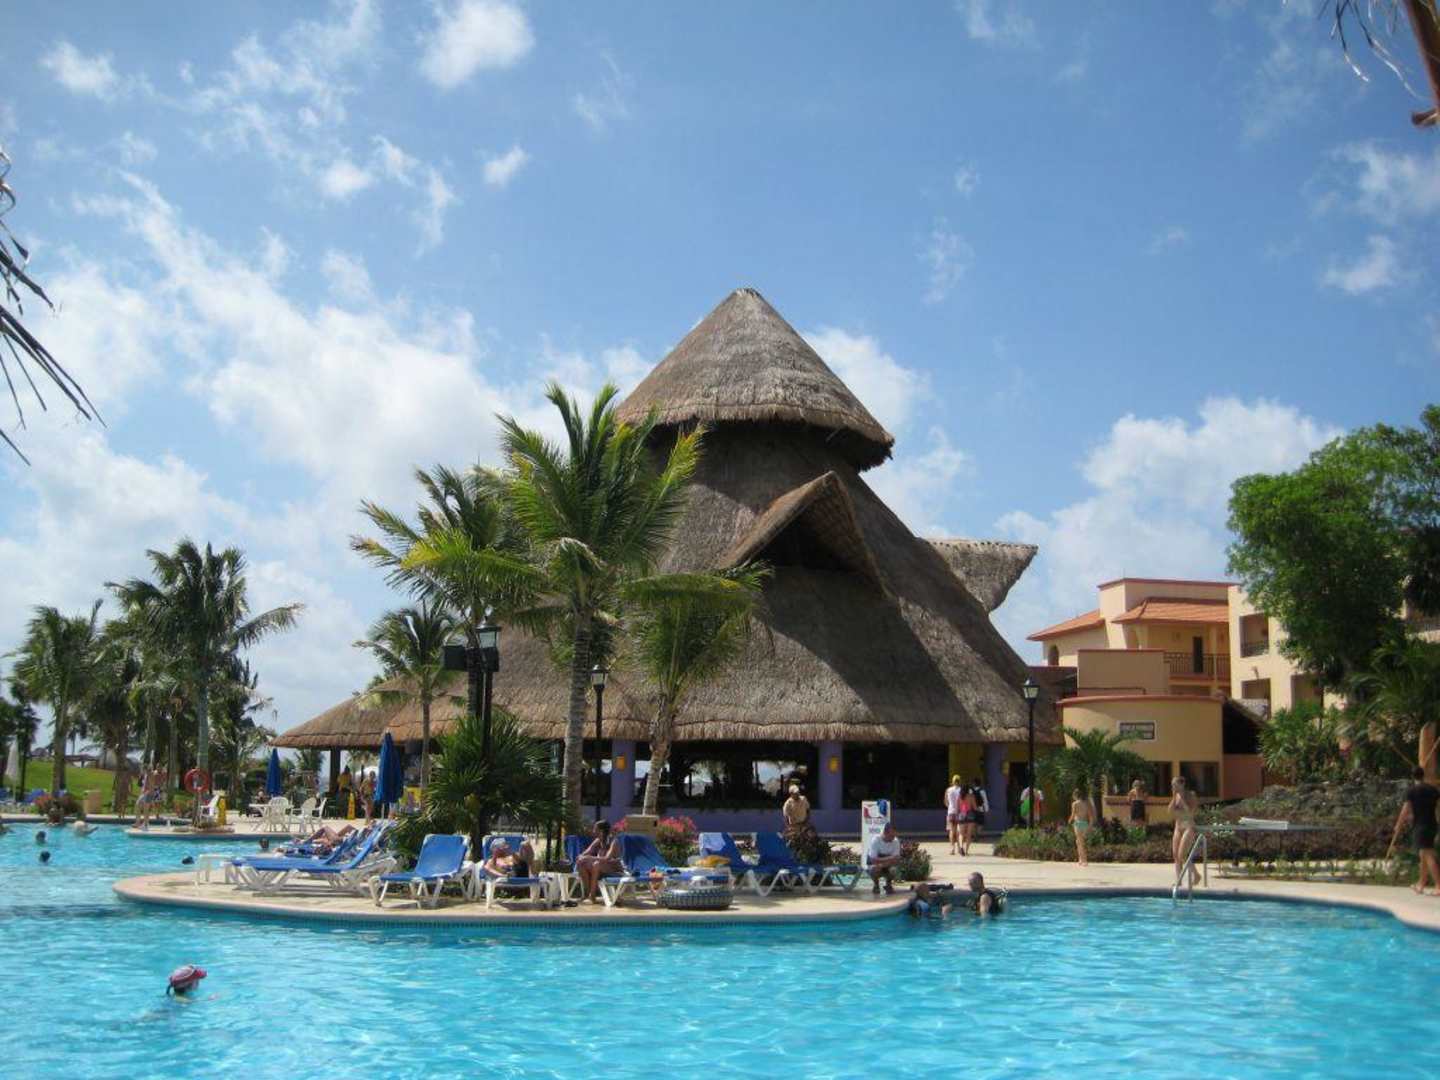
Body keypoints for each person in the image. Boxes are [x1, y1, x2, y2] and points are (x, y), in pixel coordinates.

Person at [1392, 766, 1440, 895]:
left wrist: (1398, 825)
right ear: (1423, 775)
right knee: (1423, 854)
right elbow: (1437, 809)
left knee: (1428, 854)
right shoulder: (1433, 790)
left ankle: (1438, 885)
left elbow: (1405, 810)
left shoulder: (1412, 791)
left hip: (1421, 826)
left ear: (1412, 777)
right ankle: (1421, 883)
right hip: (1433, 825)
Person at [575, 821, 623, 904]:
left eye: (595, 829)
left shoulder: (613, 841)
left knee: (596, 864)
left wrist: (589, 857)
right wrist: (581, 857)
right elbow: (587, 851)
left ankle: (592, 896)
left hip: (614, 869)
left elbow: (607, 858)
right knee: (581, 864)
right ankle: (588, 894)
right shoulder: (598, 840)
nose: (593, 831)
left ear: (601, 831)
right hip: (601, 868)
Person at [1170, 776, 1200, 887]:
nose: (1173, 787)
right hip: (1178, 827)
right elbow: (1170, 811)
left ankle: (1196, 875)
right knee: (1175, 855)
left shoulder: (1191, 795)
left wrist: (1182, 801)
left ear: (1182, 784)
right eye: (1172, 785)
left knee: (1182, 855)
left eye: (1175, 784)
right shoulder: (1176, 796)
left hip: (1188, 827)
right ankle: (1179, 881)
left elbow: (1191, 812)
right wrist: (1174, 797)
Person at [867, 822, 902, 896]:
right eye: (891, 836)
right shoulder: (876, 840)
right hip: (875, 865)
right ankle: (876, 884)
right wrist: (890, 858)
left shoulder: (896, 841)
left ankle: (888, 884)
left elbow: (896, 860)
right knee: (874, 868)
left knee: (894, 870)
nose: (893, 838)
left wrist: (882, 864)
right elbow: (873, 859)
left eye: (894, 835)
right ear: (885, 833)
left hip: (886, 865)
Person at [1069, 789, 1095, 867]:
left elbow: (1073, 814)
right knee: (1078, 841)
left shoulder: (1074, 804)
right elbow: (1090, 816)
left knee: (1080, 842)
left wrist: (1069, 821)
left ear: (1075, 795)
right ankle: (1080, 859)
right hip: (1084, 823)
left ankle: (1084, 860)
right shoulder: (1086, 804)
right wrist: (1090, 825)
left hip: (1078, 823)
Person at [943, 775, 964, 855]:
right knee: (959, 831)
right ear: (959, 781)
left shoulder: (948, 790)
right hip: (960, 812)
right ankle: (959, 848)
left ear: (952, 781)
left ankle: (952, 849)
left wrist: (950, 806)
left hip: (951, 812)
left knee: (951, 831)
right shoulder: (961, 790)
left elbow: (945, 802)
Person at [957, 785, 977, 857]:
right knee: (969, 834)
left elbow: (958, 807)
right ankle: (966, 851)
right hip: (970, 814)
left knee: (961, 833)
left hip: (962, 814)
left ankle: (961, 847)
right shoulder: (971, 796)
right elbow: (975, 807)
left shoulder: (959, 796)